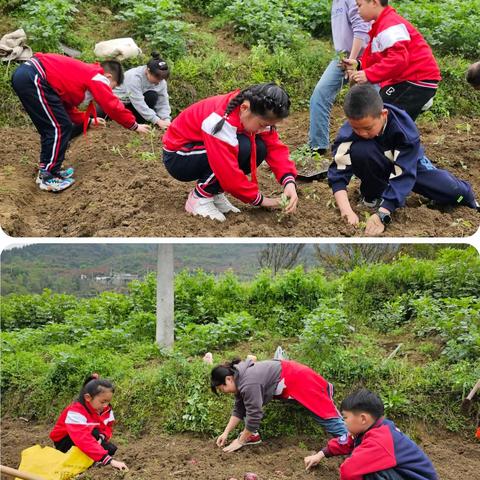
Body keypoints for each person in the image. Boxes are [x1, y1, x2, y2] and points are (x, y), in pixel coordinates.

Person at [327, 85, 478, 236]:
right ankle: (373, 194)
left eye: (367, 128)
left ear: (383, 114)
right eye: (356, 129)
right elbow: (339, 171)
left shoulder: (404, 129)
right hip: (376, 158)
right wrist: (346, 211)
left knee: (450, 190)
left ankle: (465, 194)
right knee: (361, 150)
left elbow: (404, 173)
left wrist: (383, 214)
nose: (362, 133)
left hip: (408, 162)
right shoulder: (349, 133)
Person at [11, 53, 150, 192]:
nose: (110, 91)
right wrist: (134, 125)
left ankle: (51, 171)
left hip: (31, 76)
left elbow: (65, 108)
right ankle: (47, 176)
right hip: (33, 76)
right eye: (112, 87)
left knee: (60, 124)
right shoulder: (98, 77)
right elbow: (112, 105)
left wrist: (87, 121)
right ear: (108, 77)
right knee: (58, 127)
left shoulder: (82, 77)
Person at [162, 83, 298, 222]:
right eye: (262, 125)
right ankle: (200, 197)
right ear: (245, 108)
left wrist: (289, 182)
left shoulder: (250, 113)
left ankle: (214, 192)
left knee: (260, 147)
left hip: (199, 149)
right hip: (179, 156)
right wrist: (260, 200)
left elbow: (274, 147)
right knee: (243, 147)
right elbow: (227, 170)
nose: (263, 130)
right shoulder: (220, 121)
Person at [211, 358, 347, 453]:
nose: (223, 392)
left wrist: (240, 441)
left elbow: (254, 415)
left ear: (228, 379)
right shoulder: (240, 378)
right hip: (288, 382)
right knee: (248, 405)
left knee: (326, 416)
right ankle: (252, 435)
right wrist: (226, 432)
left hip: (300, 379)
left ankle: (356, 443)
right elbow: (240, 408)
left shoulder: (248, 383)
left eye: (221, 388)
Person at [304, 389, 438, 479]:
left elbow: (348, 471)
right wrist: (320, 454)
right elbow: (346, 441)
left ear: (363, 418)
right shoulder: (374, 427)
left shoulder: (380, 439)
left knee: (368, 473)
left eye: (345, 418)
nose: (343, 423)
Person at [342, 0, 441, 121]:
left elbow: (398, 59)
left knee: (382, 118)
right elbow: (378, 56)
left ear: (374, 2)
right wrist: (359, 64)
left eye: (359, 5)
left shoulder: (389, 25)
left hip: (416, 80)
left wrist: (368, 74)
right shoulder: (382, 24)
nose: (358, 10)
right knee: (384, 118)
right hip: (408, 80)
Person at [309, 0, 371, 155]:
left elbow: (361, 28)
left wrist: (353, 61)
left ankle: (376, 145)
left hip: (365, 57)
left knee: (373, 102)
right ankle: (318, 147)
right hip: (341, 57)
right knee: (320, 94)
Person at [50, 374, 128, 471]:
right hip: (65, 440)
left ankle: (95, 457)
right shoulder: (76, 411)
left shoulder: (106, 409)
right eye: (103, 402)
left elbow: (108, 427)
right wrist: (108, 460)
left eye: (108, 401)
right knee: (96, 444)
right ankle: (92, 461)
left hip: (90, 435)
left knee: (111, 449)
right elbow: (82, 438)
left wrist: (102, 436)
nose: (105, 405)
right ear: (88, 397)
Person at [111, 52, 172, 129]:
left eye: (161, 79)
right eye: (157, 78)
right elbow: (138, 102)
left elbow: (163, 102)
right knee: (101, 115)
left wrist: (166, 119)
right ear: (148, 71)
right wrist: (157, 121)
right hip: (117, 103)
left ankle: (138, 123)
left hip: (133, 107)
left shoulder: (160, 81)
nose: (159, 82)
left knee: (152, 95)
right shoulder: (133, 77)